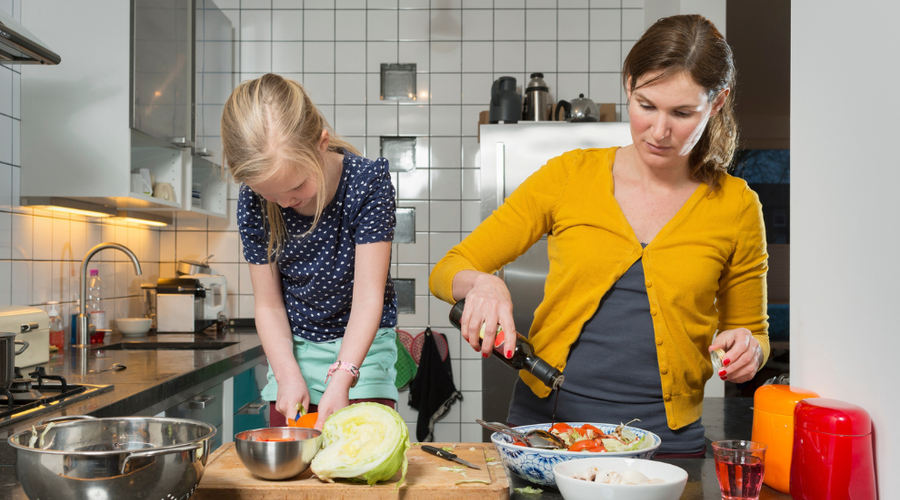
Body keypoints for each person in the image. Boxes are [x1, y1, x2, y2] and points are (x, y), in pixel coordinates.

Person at [429, 14, 769, 456]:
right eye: (646, 105)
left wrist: (749, 351)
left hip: (668, 444)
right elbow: (447, 270)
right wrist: (482, 283)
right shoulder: (570, 176)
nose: (660, 131)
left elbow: (752, 332)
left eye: (683, 113)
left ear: (717, 102)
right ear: (629, 84)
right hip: (548, 431)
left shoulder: (737, 206)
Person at [222, 74, 399, 430]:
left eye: (298, 185)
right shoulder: (252, 201)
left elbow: (367, 299)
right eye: (271, 195)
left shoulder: (368, 183)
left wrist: (343, 377)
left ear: (321, 143)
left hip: (363, 348)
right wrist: (286, 374)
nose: (286, 202)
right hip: (294, 350)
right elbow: (269, 305)